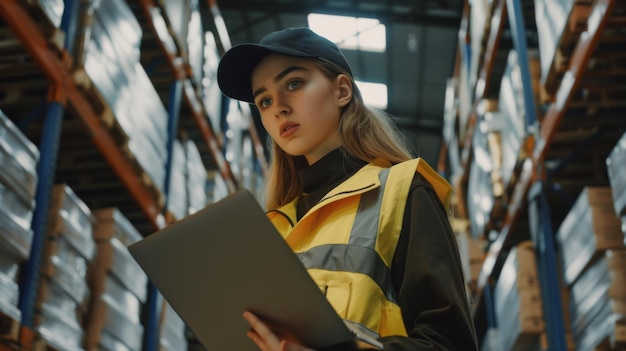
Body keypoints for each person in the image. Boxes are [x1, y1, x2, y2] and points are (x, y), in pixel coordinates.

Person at [217, 27, 478, 351]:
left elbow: (450, 344)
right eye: (264, 100)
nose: (278, 107)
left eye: (294, 84)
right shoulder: (270, 227)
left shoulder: (403, 190)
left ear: (341, 90)